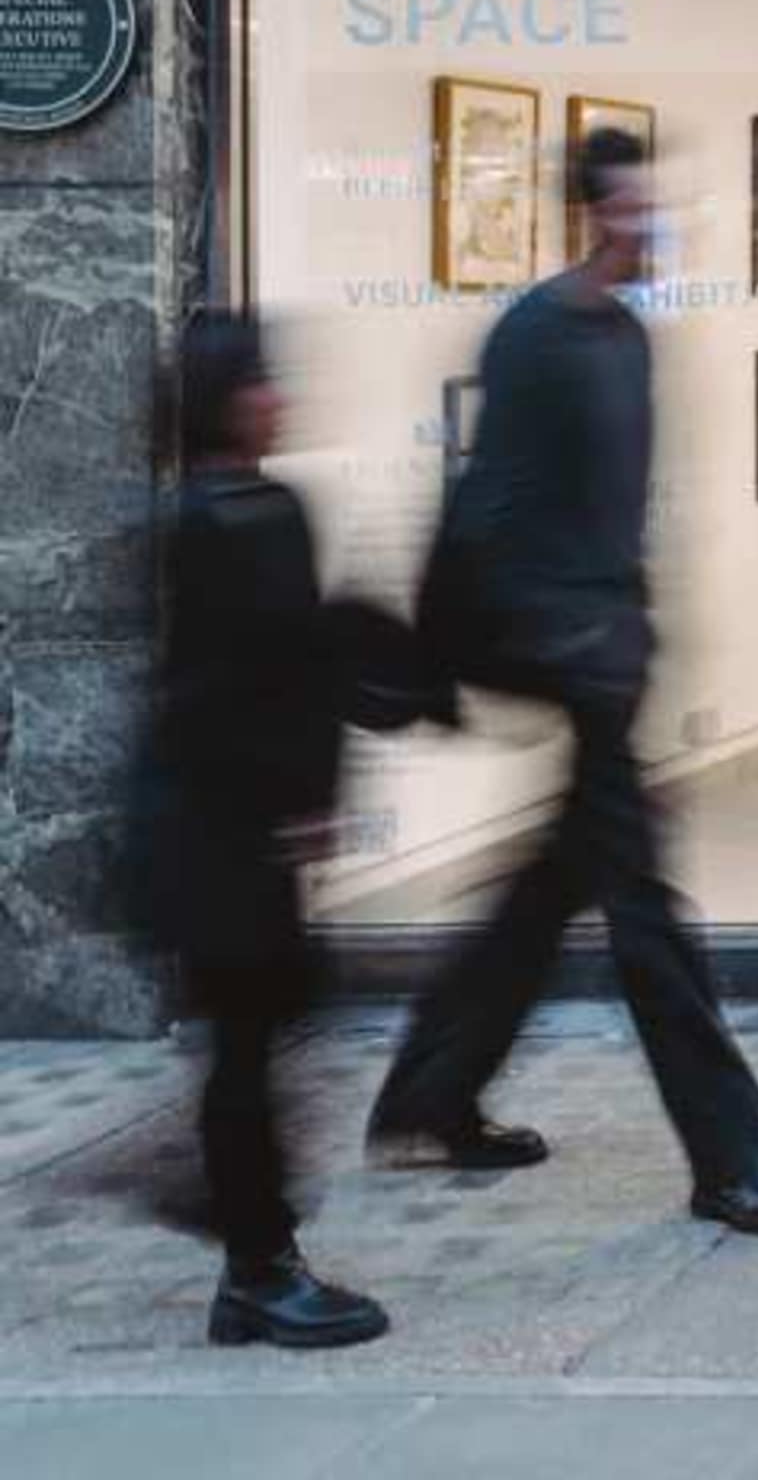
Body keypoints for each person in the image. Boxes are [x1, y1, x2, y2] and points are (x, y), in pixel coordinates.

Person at [374, 126, 758, 1235]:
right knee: (648, 915)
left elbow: (617, 507)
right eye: (626, 208)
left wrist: (636, 623)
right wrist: (525, 643)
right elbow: (491, 501)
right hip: (567, 652)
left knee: (552, 883)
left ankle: (433, 1093)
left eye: (654, 206)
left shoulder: (625, 334)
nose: (645, 225)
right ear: (590, 213)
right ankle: (734, 1157)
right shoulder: (537, 334)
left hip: (607, 647)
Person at [137, 313, 447, 1348]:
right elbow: (246, 684)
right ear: (225, 399)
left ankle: (246, 1241)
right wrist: (300, 801)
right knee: (249, 1044)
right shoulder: (242, 516)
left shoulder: (223, 510)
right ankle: (258, 1265)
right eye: (261, 382)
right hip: (231, 827)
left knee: (256, 1037)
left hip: (222, 822)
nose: (280, 396)